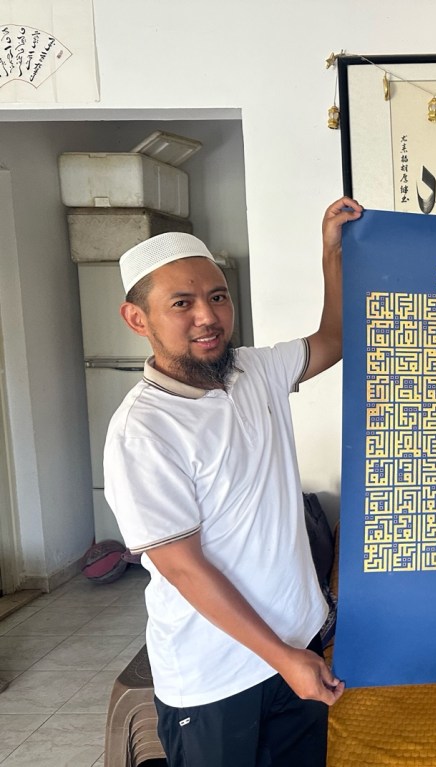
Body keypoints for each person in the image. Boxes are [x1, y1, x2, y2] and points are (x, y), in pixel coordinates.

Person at [103, 196, 363, 767]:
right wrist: (283, 658)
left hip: (298, 645)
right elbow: (184, 568)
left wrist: (331, 252)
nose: (208, 315)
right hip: (217, 677)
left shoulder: (254, 370)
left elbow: (336, 338)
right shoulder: (143, 431)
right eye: (182, 303)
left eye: (217, 296)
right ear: (138, 319)